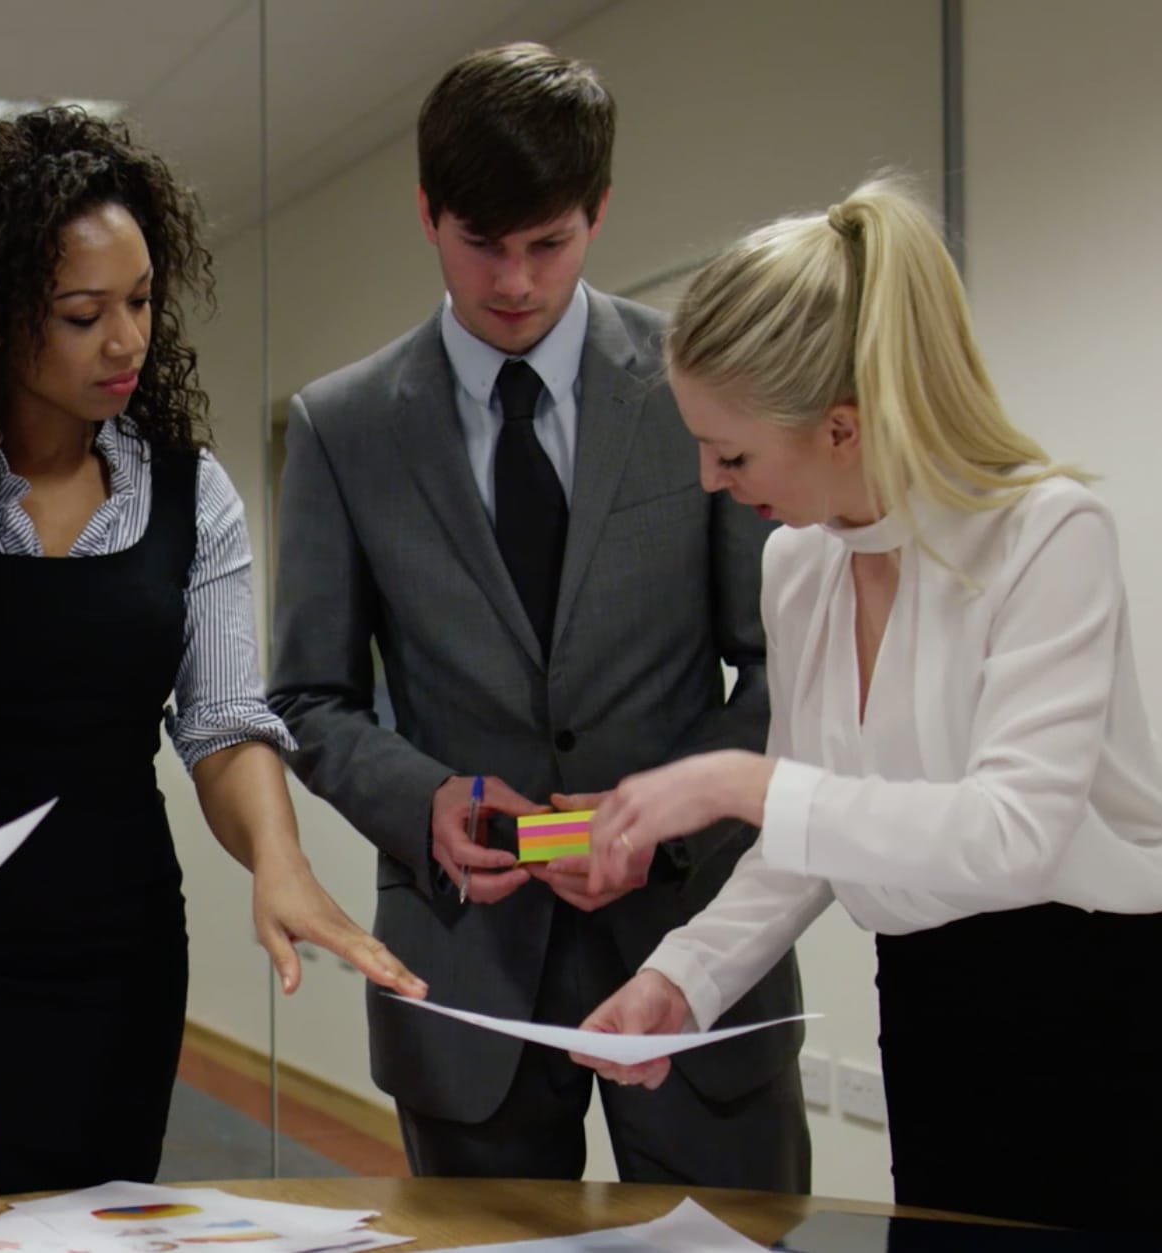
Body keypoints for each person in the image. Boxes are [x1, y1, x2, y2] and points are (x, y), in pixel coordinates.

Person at [0, 106, 425, 1224]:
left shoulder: (191, 493)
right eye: (84, 314)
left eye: (140, 302)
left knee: (106, 1231)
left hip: (121, 949)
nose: (126, 341)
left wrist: (277, 861)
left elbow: (224, 723)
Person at [571, 179, 1162, 1233]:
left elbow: (1014, 833)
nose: (708, 479)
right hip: (929, 1006)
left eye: (732, 451)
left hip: (1092, 1011)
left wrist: (742, 780)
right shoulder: (798, 565)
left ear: (840, 426)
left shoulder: (1046, 536)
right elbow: (808, 846)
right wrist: (681, 976)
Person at [266, 43, 808, 1188]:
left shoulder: (694, 382)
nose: (513, 281)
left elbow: (779, 675)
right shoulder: (341, 426)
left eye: (547, 244)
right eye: (482, 245)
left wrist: (664, 814)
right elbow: (309, 697)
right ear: (426, 213)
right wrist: (426, 801)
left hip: (691, 948)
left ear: (597, 212)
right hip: (464, 977)